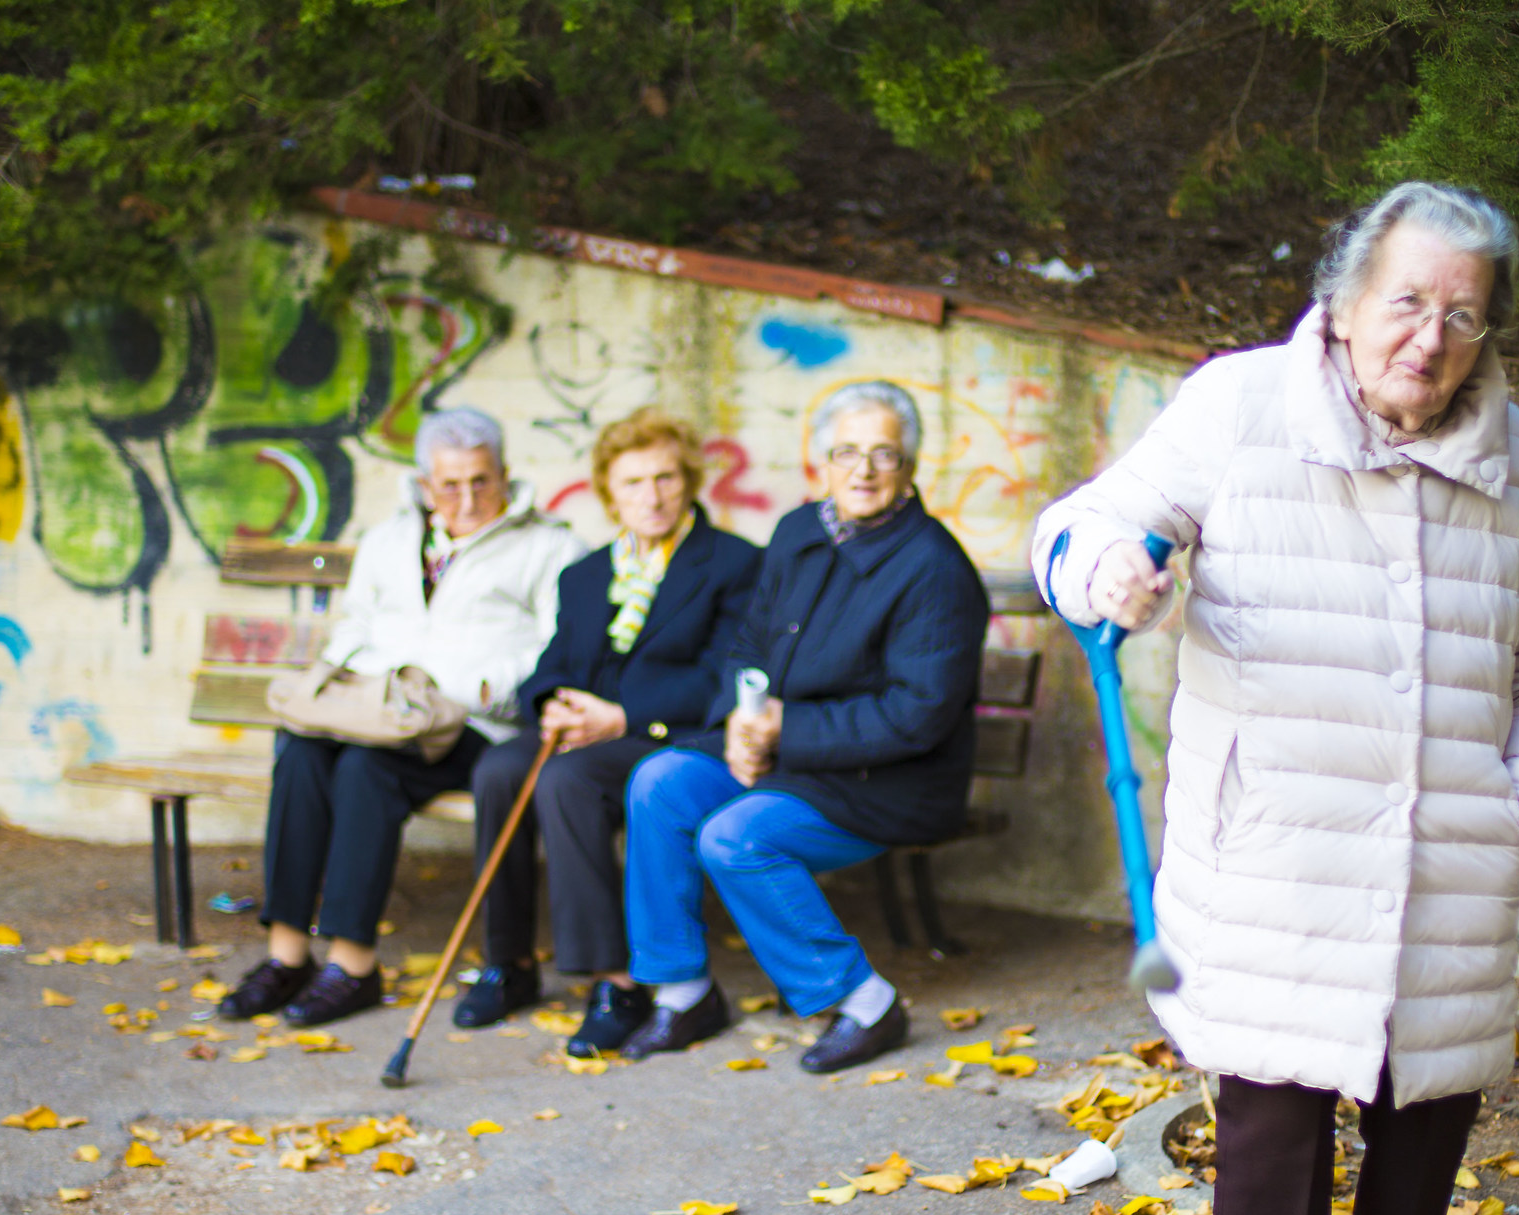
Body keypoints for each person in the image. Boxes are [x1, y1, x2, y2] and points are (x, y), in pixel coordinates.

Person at [1032, 181, 1519, 1215]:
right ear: (1347, 303)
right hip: (1275, 853)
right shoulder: (1241, 405)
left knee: (1425, 1127)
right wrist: (1108, 570)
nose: (1431, 334)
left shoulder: (1510, 451)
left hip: (1448, 856)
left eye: (1462, 312)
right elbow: (1081, 527)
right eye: (1407, 300)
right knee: (1276, 1131)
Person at [575, 380, 989, 1070]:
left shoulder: (933, 569)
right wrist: (744, 716)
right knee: (660, 780)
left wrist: (780, 731)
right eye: (847, 452)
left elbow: (916, 716)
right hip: (788, 755)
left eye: (883, 454)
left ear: (910, 467)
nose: (863, 470)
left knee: (735, 837)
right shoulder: (800, 531)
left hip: (887, 782)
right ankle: (682, 992)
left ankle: (864, 1003)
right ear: (821, 462)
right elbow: (750, 645)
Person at [219, 408, 585, 1028]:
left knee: (368, 767)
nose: (467, 499)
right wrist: (347, 682)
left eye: (481, 481)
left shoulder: (549, 545)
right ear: (424, 484)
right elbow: (359, 620)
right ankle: (287, 957)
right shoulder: (388, 539)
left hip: (470, 724)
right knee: (303, 752)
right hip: (379, 707)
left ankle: (353, 965)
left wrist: (474, 687)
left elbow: (557, 646)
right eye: (450, 484)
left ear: (505, 474)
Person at [454, 408, 762, 1027]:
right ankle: (507, 963)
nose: (652, 497)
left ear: (689, 480)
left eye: (666, 478)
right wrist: (552, 704)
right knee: (498, 769)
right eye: (633, 483)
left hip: (672, 739)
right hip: (589, 732)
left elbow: (718, 679)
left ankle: (616, 982)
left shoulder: (732, 564)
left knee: (566, 780)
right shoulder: (586, 575)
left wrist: (621, 716)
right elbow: (550, 665)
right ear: (608, 493)